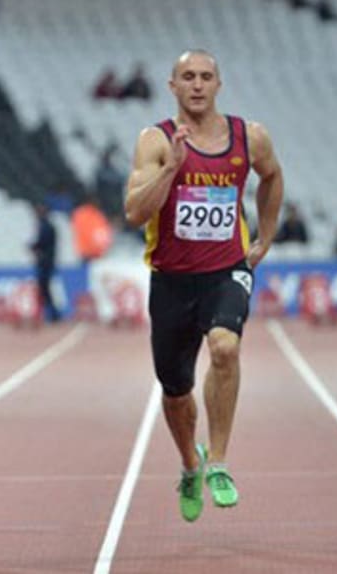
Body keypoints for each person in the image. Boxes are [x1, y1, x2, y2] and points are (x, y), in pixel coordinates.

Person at [124, 50, 283, 523]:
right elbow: (134, 212)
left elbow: (272, 176)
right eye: (188, 77)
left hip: (225, 269)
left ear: (219, 84)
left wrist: (267, 235)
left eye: (206, 77)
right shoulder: (154, 141)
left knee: (225, 348)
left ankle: (217, 461)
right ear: (172, 86)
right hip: (171, 278)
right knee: (175, 390)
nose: (197, 85)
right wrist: (172, 168)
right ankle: (190, 464)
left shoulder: (248, 136)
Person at [29, 202, 60, 322]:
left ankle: (53, 314)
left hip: (45, 263)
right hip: (47, 261)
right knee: (45, 289)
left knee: (45, 288)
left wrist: (33, 247)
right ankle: (51, 313)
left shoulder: (45, 226)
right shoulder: (48, 226)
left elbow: (42, 243)